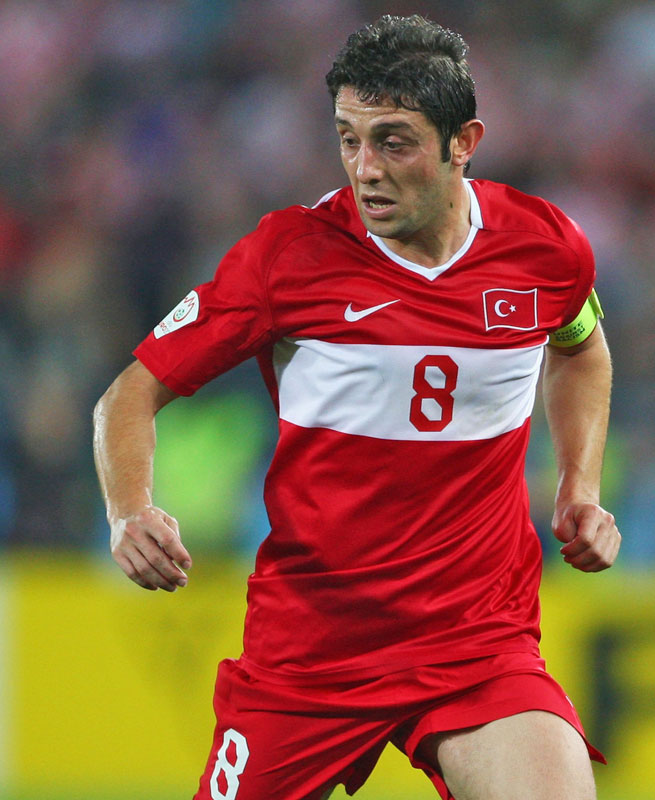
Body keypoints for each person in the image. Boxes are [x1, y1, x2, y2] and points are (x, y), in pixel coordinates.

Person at [93, 14, 621, 800]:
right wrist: (129, 510)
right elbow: (130, 394)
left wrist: (579, 488)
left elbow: (580, 349)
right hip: (312, 655)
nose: (365, 169)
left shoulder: (546, 249)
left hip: (477, 641)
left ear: (463, 142)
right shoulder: (287, 257)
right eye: (349, 139)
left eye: (393, 142)